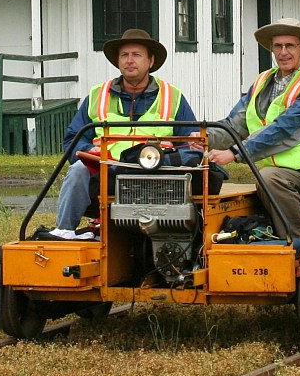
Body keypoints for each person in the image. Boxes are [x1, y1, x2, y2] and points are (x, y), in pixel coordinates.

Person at [204, 18, 300, 246]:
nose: (283, 52)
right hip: (292, 174)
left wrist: (236, 152)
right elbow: (234, 124)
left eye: (290, 46)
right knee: (267, 177)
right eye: (278, 46)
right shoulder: (261, 83)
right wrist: (199, 138)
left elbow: (286, 127)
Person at [46, 29, 198, 240]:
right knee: (78, 168)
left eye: (136, 55)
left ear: (151, 61)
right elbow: (73, 139)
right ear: (118, 61)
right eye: (124, 55)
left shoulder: (172, 96)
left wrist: (168, 158)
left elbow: (193, 145)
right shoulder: (97, 95)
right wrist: (88, 150)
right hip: (105, 172)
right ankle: (64, 231)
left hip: (157, 174)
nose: (129, 61)